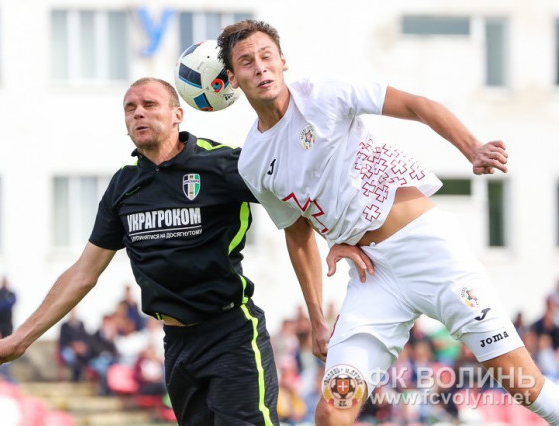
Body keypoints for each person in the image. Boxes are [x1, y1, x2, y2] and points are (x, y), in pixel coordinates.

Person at [217, 19, 559, 425]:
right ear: (233, 79)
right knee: (333, 409)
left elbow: (417, 105)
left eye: (266, 56)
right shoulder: (253, 162)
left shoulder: (323, 94)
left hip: (427, 250)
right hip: (371, 278)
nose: (260, 67)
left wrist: (473, 148)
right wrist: (318, 319)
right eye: (247, 62)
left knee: (523, 385)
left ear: (282, 61)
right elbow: (297, 231)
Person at [0, 77, 279, 426]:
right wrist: (21, 338)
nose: (138, 113)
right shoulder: (123, 186)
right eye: (130, 108)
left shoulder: (221, 164)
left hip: (231, 334)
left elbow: (295, 196)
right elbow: (83, 273)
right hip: (177, 344)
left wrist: (333, 257)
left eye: (150, 105)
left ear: (178, 114)